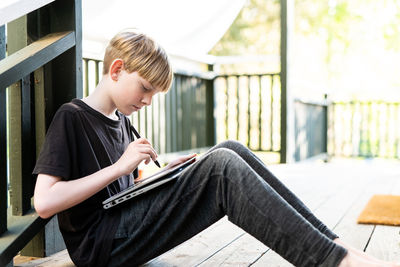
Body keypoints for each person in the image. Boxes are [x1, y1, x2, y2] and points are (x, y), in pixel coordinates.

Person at [33, 29, 399, 267]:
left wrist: (171, 173)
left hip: (124, 226)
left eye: (152, 94)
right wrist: (119, 168)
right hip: (101, 246)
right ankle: (333, 261)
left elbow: (121, 192)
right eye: (144, 88)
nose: (147, 100)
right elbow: (44, 202)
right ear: (116, 70)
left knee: (229, 148)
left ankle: (332, 242)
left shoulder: (122, 121)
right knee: (221, 166)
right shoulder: (72, 117)